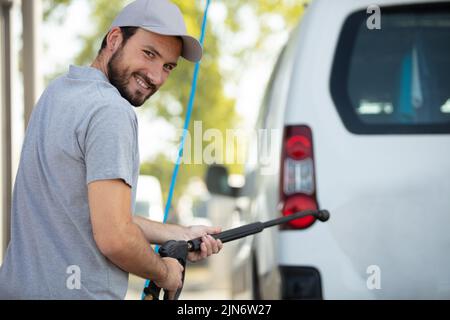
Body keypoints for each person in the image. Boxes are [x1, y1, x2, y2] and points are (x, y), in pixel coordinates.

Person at [0, 0, 223, 299]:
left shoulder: (57, 92)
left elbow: (93, 214)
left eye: (167, 66)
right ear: (115, 39)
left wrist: (180, 233)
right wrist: (165, 272)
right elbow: (116, 237)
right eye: (149, 53)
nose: (156, 77)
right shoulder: (111, 110)